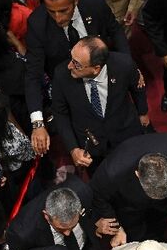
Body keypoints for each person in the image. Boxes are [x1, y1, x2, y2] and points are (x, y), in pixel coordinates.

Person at [25, 0, 130, 156]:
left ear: (75, 1)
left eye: (63, 10)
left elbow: (115, 31)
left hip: (102, 72)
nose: (58, 18)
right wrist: (38, 123)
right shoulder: (37, 24)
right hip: (69, 83)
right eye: (52, 11)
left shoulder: (94, 3)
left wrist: (128, 64)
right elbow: (33, 74)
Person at [51, 36, 148, 169]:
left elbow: (138, 87)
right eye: (71, 59)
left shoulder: (124, 64)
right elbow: (60, 112)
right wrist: (73, 148)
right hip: (91, 148)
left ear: (96, 69)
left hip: (125, 135)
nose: (69, 66)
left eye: (76, 64)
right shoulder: (61, 75)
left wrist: (143, 112)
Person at [90, 133, 167, 249]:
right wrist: (117, 228)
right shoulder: (113, 172)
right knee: (133, 235)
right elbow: (98, 196)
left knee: (158, 226)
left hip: (165, 205)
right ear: (137, 174)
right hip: (129, 205)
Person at [5, 176, 96, 250]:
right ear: (47, 216)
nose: (67, 233)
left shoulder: (82, 191)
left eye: (73, 226)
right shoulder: (21, 234)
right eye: (61, 228)